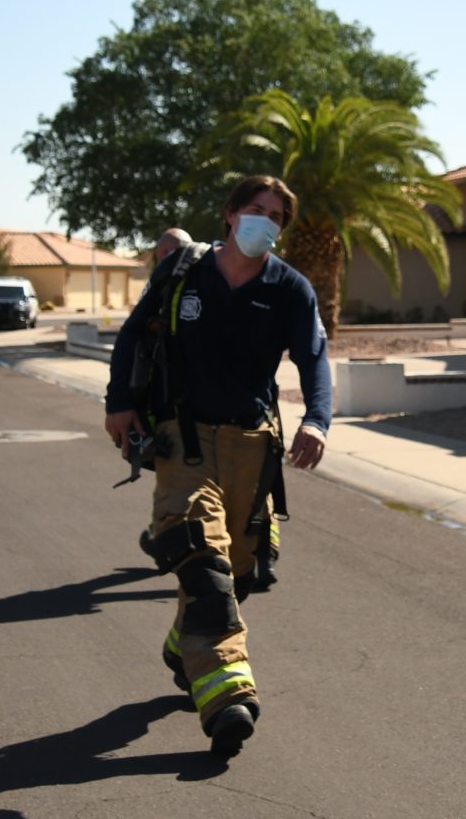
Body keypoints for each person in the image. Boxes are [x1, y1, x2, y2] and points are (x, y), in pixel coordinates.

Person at [105, 175, 331, 755]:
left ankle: (185, 644)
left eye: (276, 216)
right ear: (230, 214)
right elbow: (132, 336)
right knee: (201, 559)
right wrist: (119, 404)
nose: (266, 222)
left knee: (241, 571)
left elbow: (314, 358)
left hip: (252, 445)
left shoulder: (290, 287)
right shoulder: (183, 272)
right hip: (182, 440)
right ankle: (228, 692)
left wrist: (316, 420)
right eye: (256, 209)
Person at [138, 226, 283, 591]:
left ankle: (251, 553)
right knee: (199, 485)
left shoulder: (208, 281)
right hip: (183, 412)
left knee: (247, 488)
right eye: (163, 255)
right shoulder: (167, 285)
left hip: (236, 414)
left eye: (171, 253)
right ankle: (188, 548)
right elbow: (139, 342)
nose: (167, 260)